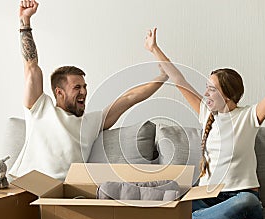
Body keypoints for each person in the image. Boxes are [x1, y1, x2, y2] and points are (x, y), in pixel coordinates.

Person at [145, 27, 265, 219]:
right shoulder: (206, 115)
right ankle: (214, 217)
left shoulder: (249, 116)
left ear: (227, 94)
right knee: (174, 195)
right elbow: (179, 79)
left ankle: (191, 218)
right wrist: (155, 48)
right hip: (207, 197)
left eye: (212, 89)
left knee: (246, 202)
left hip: (242, 196)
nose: (206, 94)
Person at [9, 0, 168, 180]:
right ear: (59, 92)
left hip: (60, 192)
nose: (84, 92)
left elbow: (128, 98)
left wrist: (162, 78)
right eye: (77, 87)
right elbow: (31, 67)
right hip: (23, 185)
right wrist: (25, 21)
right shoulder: (40, 109)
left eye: (85, 87)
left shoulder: (91, 123)